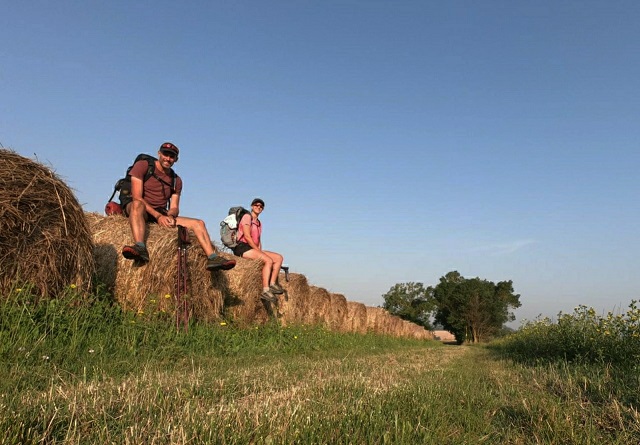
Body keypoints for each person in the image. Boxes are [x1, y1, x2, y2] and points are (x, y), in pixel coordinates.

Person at [121, 142, 235, 271]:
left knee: (199, 223)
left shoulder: (176, 180)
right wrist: (158, 216)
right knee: (137, 205)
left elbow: (175, 206)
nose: (168, 158)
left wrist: (169, 215)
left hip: (161, 213)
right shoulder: (143, 166)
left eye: (172, 156)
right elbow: (137, 197)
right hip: (141, 209)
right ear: (159, 153)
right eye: (165, 154)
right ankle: (140, 247)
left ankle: (213, 258)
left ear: (176, 159)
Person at [232, 198, 284, 302]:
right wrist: (259, 252)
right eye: (256, 205)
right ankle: (265, 290)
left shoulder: (259, 223)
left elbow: (258, 240)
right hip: (243, 247)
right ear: (252, 206)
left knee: (278, 258)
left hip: (253, 248)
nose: (258, 207)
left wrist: (260, 250)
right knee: (268, 260)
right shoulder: (247, 217)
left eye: (261, 206)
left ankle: (272, 284)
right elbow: (247, 236)